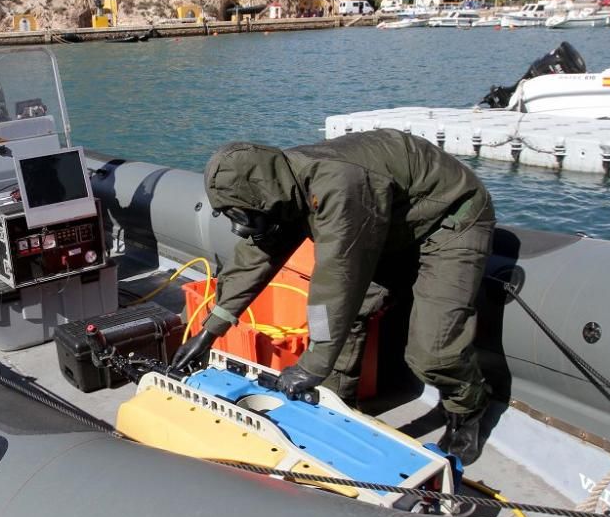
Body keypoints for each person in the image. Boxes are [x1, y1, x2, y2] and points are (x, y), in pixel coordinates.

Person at [171, 130, 496, 464]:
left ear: (263, 198)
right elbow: (253, 260)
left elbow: (338, 280)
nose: (239, 227)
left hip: (450, 220)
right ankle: (337, 405)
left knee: (433, 352)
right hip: (391, 224)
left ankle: (468, 407)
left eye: (241, 215)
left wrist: (310, 364)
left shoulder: (338, 187)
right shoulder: (281, 187)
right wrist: (209, 331)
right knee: (351, 317)